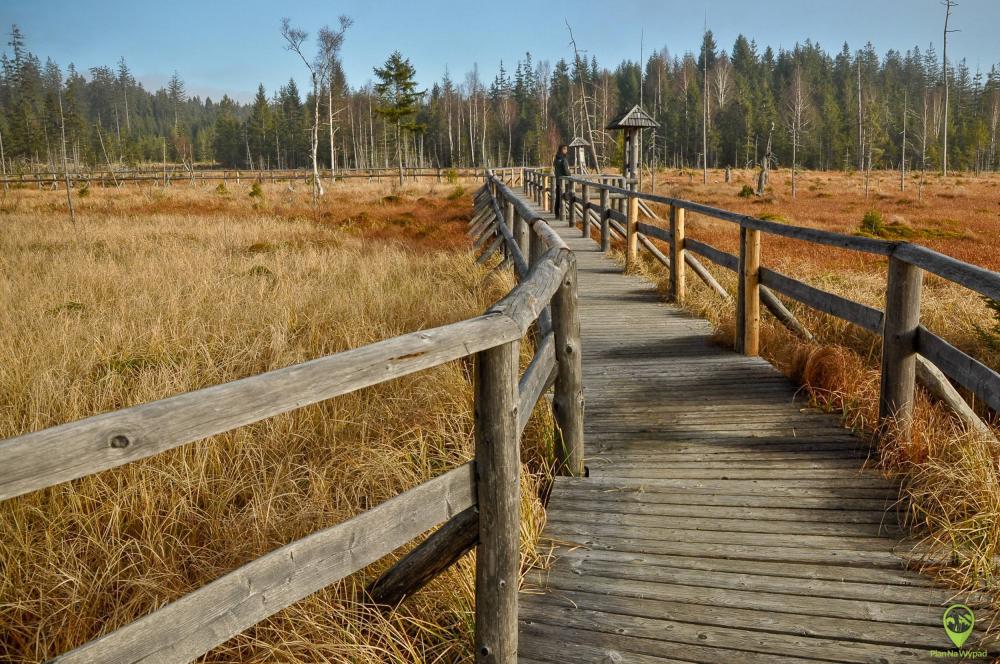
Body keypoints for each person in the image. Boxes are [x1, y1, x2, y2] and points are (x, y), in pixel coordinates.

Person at [553, 144, 570, 217]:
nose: (566, 150)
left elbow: (555, 169)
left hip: (558, 181)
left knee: (558, 197)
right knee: (566, 196)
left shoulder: (556, 159)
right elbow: (566, 171)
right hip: (564, 182)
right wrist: (570, 176)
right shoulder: (563, 159)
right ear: (562, 150)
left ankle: (557, 213)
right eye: (565, 149)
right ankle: (565, 213)